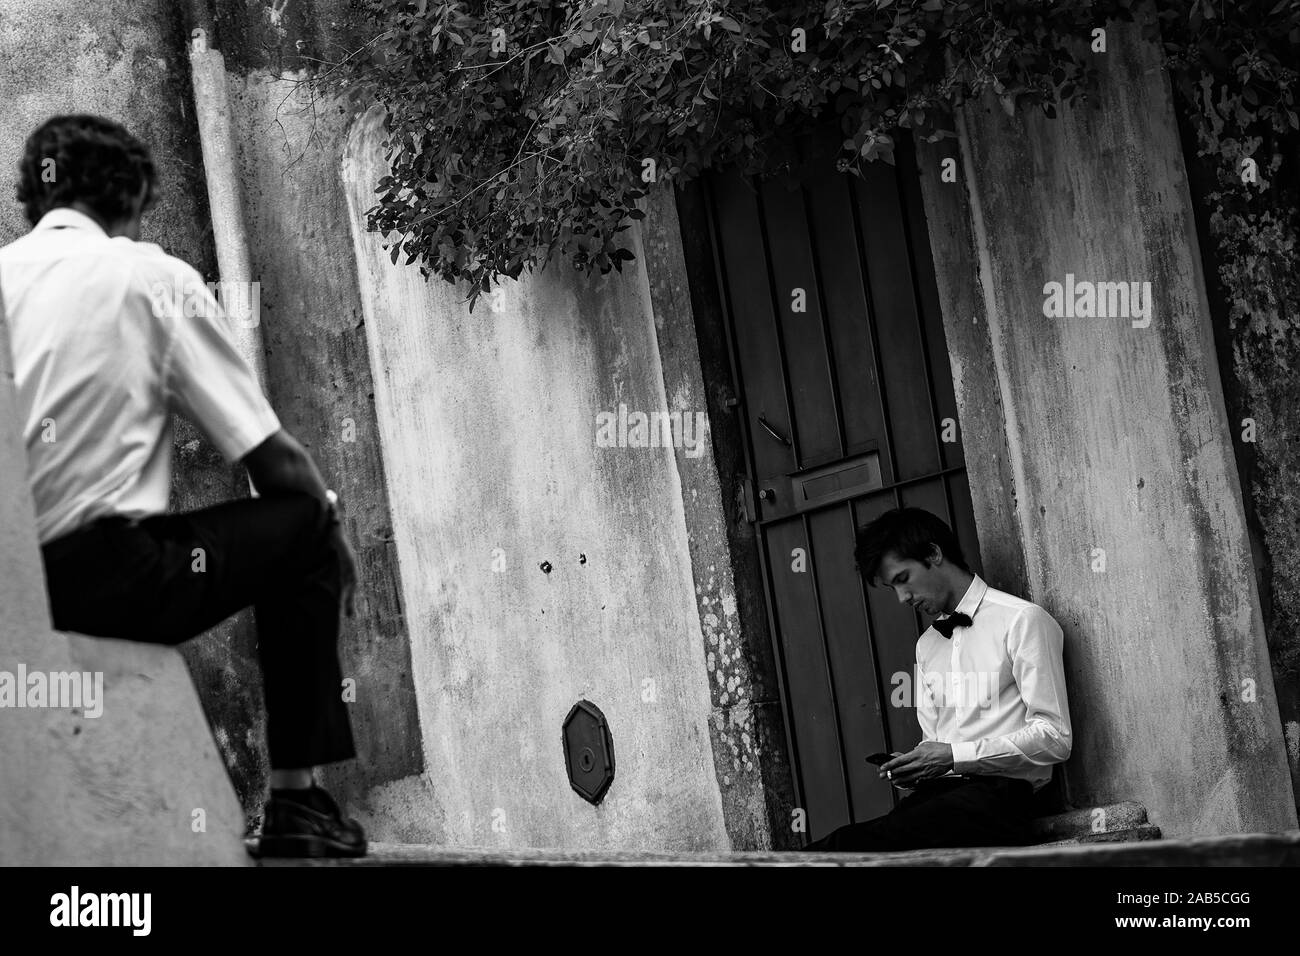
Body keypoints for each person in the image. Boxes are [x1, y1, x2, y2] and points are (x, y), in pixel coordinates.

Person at [0, 114, 365, 858]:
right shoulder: (149, 277)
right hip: (103, 582)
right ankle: (299, 805)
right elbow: (273, 462)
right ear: (133, 199)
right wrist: (330, 527)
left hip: (11, 595)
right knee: (303, 523)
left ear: (31, 201)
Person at [805, 507, 1072, 852]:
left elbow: (1055, 737)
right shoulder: (927, 645)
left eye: (903, 580)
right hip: (943, 799)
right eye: (892, 588)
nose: (902, 599)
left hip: (1003, 797)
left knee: (851, 846)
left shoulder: (1021, 620)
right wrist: (917, 765)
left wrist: (953, 755)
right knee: (863, 841)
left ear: (933, 554)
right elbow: (936, 740)